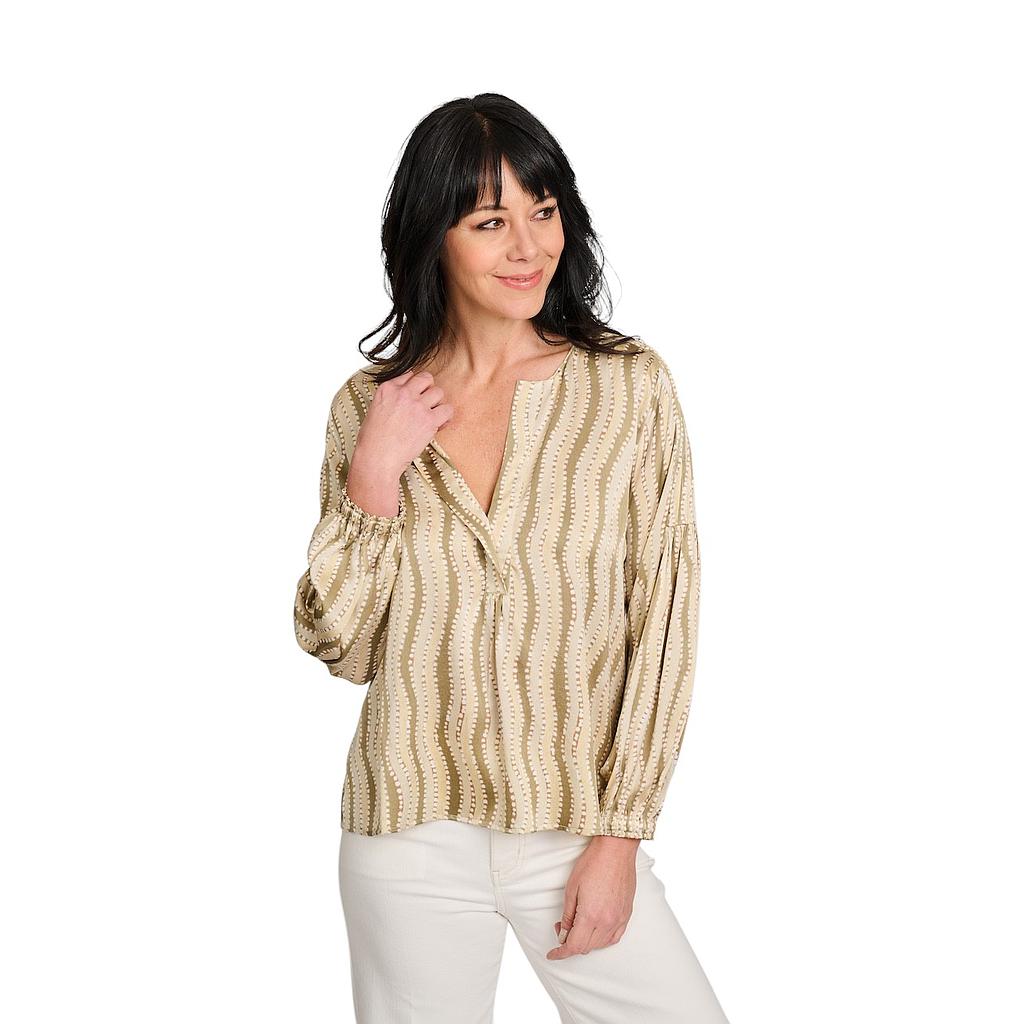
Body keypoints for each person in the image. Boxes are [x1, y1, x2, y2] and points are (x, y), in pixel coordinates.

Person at [293, 93, 730, 1024]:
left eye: (544, 210)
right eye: (490, 222)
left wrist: (621, 834)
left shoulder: (628, 389)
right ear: (434, 237)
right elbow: (345, 650)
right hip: (407, 827)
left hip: (574, 825)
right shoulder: (369, 406)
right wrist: (373, 476)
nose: (529, 246)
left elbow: (663, 622)